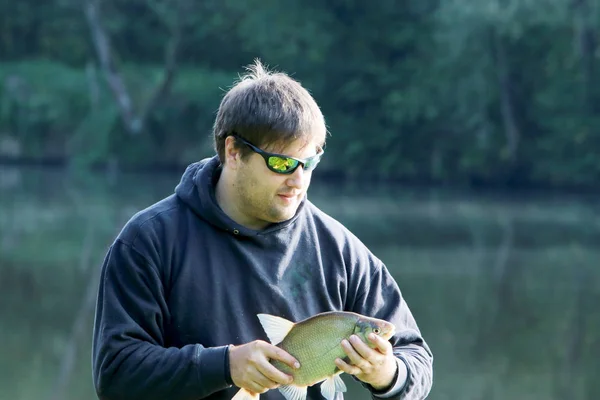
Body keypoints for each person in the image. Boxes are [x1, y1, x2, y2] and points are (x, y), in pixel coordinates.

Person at [91, 60, 433, 400]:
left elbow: (416, 360)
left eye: (309, 162)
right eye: (282, 163)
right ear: (234, 151)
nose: (298, 181)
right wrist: (223, 366)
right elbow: (116, 374)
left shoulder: (340, 250)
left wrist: (385, 373)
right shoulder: (148, 241)